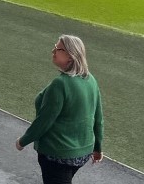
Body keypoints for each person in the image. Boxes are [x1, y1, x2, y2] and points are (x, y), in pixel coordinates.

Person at [16, 35, 104, 184]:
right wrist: (98, 148)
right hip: (83, 152)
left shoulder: (60, 84)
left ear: (70, 56)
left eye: (58, 49)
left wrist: (23, 141)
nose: (53, 51)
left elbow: (44, 121)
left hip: (58, 154)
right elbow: (98, 117)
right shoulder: (90, 79)